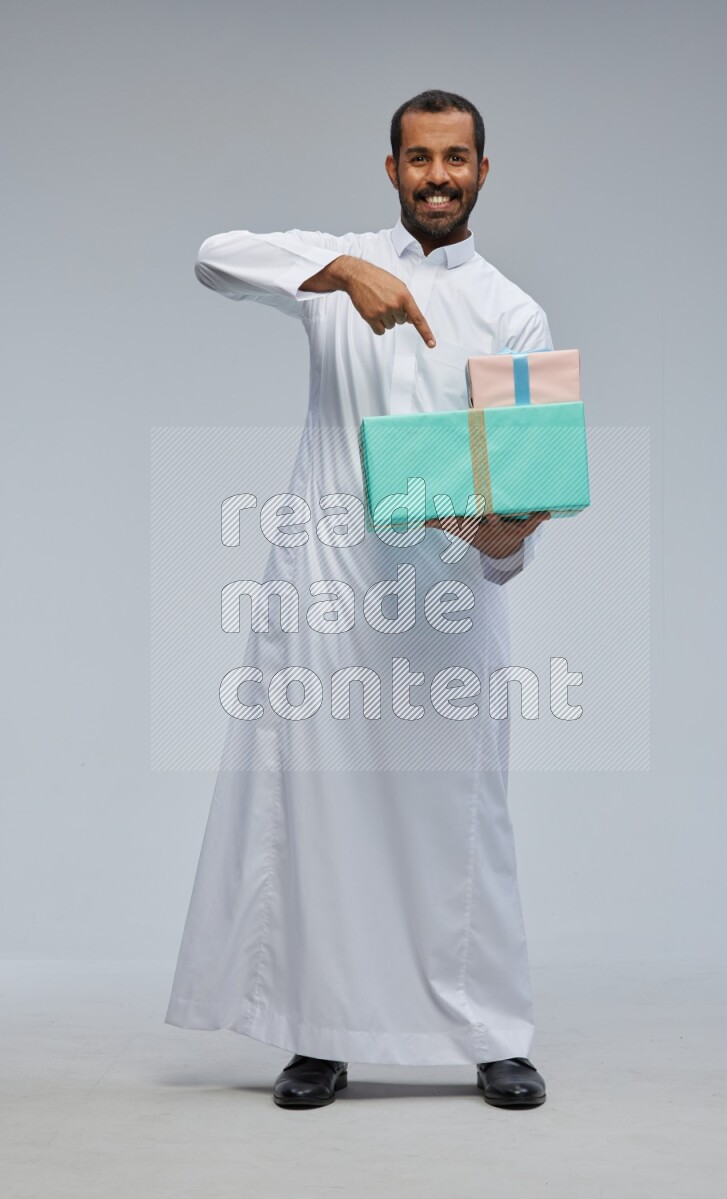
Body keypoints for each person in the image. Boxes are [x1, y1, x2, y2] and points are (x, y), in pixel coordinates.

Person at [165, 89, 551, 1110]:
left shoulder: (511, 310)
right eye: (418, 158)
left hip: (449, 604)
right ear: (391, 170)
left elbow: (516, 483)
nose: (437, 176)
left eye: (456, 158)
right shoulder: (332, 267)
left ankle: (493, 1031)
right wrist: (341, 272)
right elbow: (211, 252)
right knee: (322, 814)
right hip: (330, 598)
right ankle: (319, 1033)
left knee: (464, 818)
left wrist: (507, 532)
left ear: (480, 169)